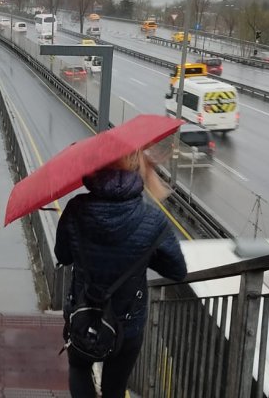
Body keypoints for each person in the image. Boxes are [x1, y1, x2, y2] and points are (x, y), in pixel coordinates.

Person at [54, 151, 187, 398]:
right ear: (134, 168)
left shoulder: (75, 210)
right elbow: (177, 271)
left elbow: (62, 255)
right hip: (127, 324)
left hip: (83, 311)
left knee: (79, 367)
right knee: (114, 388)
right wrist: (143, 253)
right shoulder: (153, 218)